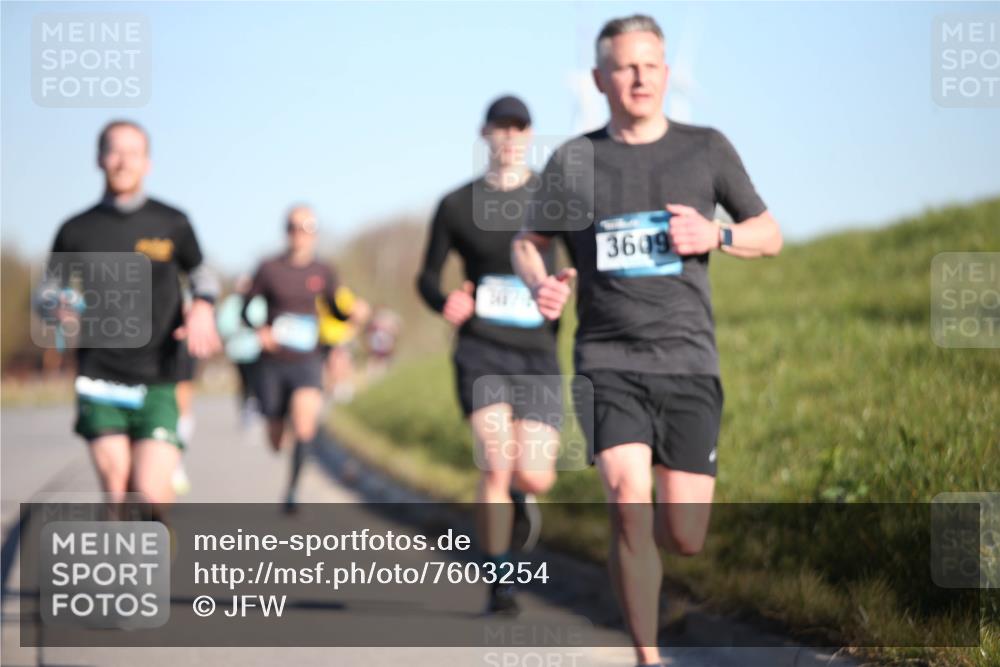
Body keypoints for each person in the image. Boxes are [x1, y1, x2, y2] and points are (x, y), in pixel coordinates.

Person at [511, 15, 783, 666]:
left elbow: (769, 232)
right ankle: (647, 654)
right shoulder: (575, 159)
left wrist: (714, 235)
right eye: (625, 67)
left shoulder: (706, 148)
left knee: (684, 535)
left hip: (689, 361)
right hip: (608, 360)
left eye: (651, 65)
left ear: (666, 72)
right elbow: (528, 240)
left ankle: (668, 538)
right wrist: (541, 284)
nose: (640, 77)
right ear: (600, 78)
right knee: (627, 500)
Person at [417, 95, 563, 615]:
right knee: (496, 462)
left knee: (535, 474)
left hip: (538, 352)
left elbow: (584, 257)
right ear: (484, 135)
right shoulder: (457, 204)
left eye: (519, 127)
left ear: (529, 134)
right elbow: (427, 277)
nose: (509, 137)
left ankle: (522, 499)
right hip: (481, 348)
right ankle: (499, 578)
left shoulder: (553, 195)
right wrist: (445, 300)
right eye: (499, 128)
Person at [44, 119, 221, 514]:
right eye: (115, 151)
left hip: (158, 376)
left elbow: (201, 272)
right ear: (99, 159)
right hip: (99, 375)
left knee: (150, 492)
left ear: (148, 163)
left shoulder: (172, 222)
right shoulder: (75, 230)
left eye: (133, 153)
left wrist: (204, 306)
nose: (123, 162)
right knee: (117, 486)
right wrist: (55, 306)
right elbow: (48, 288)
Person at [242, 206, 369, 512]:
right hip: (273, 361)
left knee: (305, 425)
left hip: (308, 359)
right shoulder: (268, 268)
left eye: (307, 227)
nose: (300, 232)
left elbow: (335, 307)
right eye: (293, 226)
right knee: (275, 440)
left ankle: (293, 491)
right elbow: (245, 307)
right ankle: (278, 423)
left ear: (315, 232)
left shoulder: (323, 271)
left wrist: (353, 313)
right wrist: (260, 330)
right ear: (285, 230)